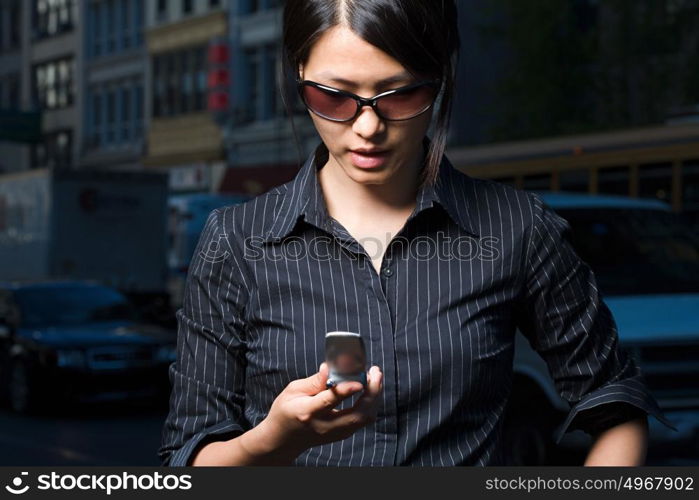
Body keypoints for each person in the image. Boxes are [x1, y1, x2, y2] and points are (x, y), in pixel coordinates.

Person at [158, 0, 676, 466]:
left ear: (439, 78)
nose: (367, 127)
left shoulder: (517, 228)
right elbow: (188, 453)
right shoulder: (236, 241)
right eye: (334, 98)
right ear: (300, 74)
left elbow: (613, 396)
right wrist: (272, 441)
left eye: (400, 95)